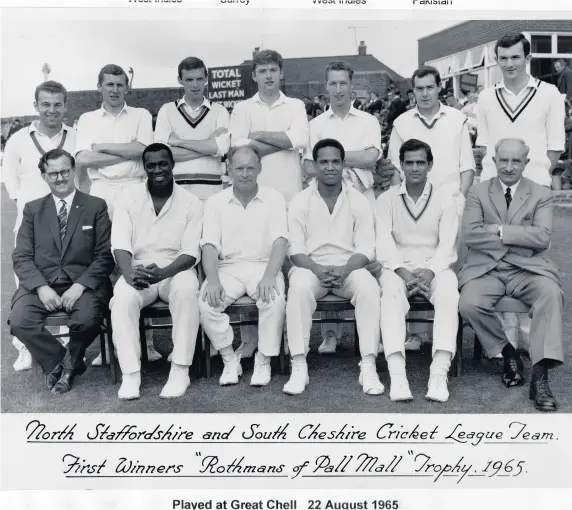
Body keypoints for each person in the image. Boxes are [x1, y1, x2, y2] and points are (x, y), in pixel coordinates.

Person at [476, 32, 565, 355]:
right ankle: (507, 339)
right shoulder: (486, 97)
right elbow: (484, 148)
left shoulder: (550, 94)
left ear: (527, 58)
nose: (509, 63)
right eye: (504, 58)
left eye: (516, 57)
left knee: (530, 261)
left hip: (533, 190)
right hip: (494, 189)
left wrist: (534, 183)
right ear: (497, 60)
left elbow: (555, 148)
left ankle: (529, 335)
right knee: (497, 258)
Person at [459, 138, 564, 412]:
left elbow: (541, 238)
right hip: (487, 268)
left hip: (527, 269)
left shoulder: (541, 193)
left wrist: (498, 230)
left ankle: (540, 378)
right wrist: (520, 236)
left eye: (516, 161)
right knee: (469, 302)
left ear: (526, 163)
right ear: (493, 161)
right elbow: (470, 233)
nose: (508, 167)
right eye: (503, 160)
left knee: (550, 294)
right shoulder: (477, 192)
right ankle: (509, 355)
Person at [9, 148, 114, 394]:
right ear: (44, 176)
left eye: (64, 171)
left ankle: (65, 367)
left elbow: (104, 255)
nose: (60, 178)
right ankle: (64, 363)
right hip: (41, 284)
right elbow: (21, 256)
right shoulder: (32, 209)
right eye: (53, 173)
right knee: (19, 321)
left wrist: (80, 286)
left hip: (84, 284)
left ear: (73, 170)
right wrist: (41, 288)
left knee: (86, 320)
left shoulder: (95, 206)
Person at [284, 138, 382, 396]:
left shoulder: (359, 200)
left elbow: (366, 249)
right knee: (298, 288)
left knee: (370, 288)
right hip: (310, 268)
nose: (330, 167)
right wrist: (317, 270)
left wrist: (345, 270)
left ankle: (369, 365)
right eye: (324, 162)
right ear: (314, 166)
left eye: (335, 161)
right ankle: (299, 364)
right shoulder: (300, 200)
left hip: (348, 269)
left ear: (343, 164)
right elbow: (295, 250)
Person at [75, 64, 156, 366]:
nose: (114, 89)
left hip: (135, 190)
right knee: (105, 265)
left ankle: (146, 342)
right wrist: (126, 150)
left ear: (127, 87)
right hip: (102, 193)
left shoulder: (141, 115)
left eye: (120, 84)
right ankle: (113, 344)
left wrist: (105, 147)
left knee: (138, 258)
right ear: (99, 86)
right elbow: (83, 158)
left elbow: (143, 151)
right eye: (109, 84)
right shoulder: (87, 119)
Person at [229, 49, 309, 359]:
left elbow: (299, 139)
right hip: (252, 197)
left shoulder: (296, 105)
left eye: (273, 70)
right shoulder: (242, 107)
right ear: (254, 75)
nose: (268, 76)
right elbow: (238, 147)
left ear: (281, 72)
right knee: (252, 263)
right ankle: (250, 339)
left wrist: (258, 136)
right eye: (262, 71)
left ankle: (290, 336)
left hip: (290, 196)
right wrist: (281, 138)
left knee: (289, 267)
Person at [389, 65, 475, 350]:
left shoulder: (457, 118)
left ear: (440, 88)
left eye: (429, 87)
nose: (424, 94)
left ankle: (445, 335)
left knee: (443, 270)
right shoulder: (402, 122)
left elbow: (467, 167)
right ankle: (415, 332)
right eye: (419, 88)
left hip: (449, 205)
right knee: (414, 263)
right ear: (412, 91)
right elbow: (395, 170)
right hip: (413, 206)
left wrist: (458, 200)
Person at [109, 143, 203, 400]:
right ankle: (131, 374)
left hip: (175, 269)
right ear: (144, 168)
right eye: (151, 165)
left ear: (172, 164)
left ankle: (180, 369)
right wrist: (128, 274)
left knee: (186, 292)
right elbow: (119, 243)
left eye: (163, 163)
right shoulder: (128, 198)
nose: (158, 169)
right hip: (137, 269)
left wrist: (164, 273)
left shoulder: (191, 202)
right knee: (122, 299)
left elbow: (191, 251)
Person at [303, 60, 384, 355]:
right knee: (329, 254)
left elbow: (371, 159)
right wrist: (347, 161)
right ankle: (330, 333)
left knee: (368, 262)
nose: (338, 89)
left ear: (352, 86)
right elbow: (310, 166)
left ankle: (377, 334)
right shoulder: (315, 125)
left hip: (363, 198)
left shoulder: (368, 121)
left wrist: (333, 160)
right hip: (328, 201)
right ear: (326, 87)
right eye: (333, 83)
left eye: (343, 83)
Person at [376, 139, 459, 402]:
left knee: (448, 294)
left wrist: (430, 271)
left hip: (435, 267)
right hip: (398, 268)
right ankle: (397, 376)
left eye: (420, 162)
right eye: (409, 163)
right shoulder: (386, 199)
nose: (414, 168)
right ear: (400, 165)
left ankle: (439, 373)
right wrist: (403, 271)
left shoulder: (446, 199)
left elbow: (448, 244)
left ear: (430, 165)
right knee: (390, 295)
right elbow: (383, 242)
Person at [199, 145, 288, 386]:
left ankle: (263, 359)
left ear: (260, 168)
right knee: (207, 301)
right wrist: (214, 280)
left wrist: (270, 276)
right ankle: (230, 359)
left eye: (250, 168)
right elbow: (209, 246)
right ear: (229, 169)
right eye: (239, 168)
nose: (245, 174)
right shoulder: (215, 202)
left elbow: (280, 241)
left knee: (274, 298)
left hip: (263, 265)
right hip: (228, 268)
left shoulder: (274, 198)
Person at [3, 80, 77, 372]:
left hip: (68, 223)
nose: (51, 110)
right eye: (45, 104)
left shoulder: (76, 137)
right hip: (30, 225)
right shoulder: (18, 140)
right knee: (26, 284)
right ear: (36, 106)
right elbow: (13, 186)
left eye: (58, 104)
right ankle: (24, 348)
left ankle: (67, 343)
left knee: (68, 279)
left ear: (65, 106)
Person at [154, 57, 230, 201]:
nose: (195, 85)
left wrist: (179, 142)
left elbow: (222, 148)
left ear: (206, 79)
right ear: (180, 80)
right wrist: (208, 143)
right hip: (176, 191)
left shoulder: (220, 111)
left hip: (212, 193)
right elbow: (163, 155)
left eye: (199, 79)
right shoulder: (167, 110)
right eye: (189, 80)